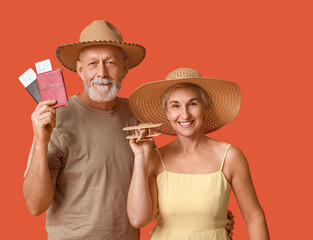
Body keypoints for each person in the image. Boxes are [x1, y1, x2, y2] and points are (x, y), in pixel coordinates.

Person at [22, 20, 146, 240]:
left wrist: (211, 217)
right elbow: (35, 205)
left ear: (124, 69)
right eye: (92, 64)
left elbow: (154, 182)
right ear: (80, 70)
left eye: (110, 62)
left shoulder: (137, 114)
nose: (102, 73)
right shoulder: (56, 118)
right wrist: (41, 142)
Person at [127, 68, 270, 239]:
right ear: (167, 113)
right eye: (175, 106)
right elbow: (138, 219)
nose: (185, 114)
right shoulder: (155, 159)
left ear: (205, 107)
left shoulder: (230, 157)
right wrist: (140, 157)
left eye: (193, 104)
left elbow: (254, 217)